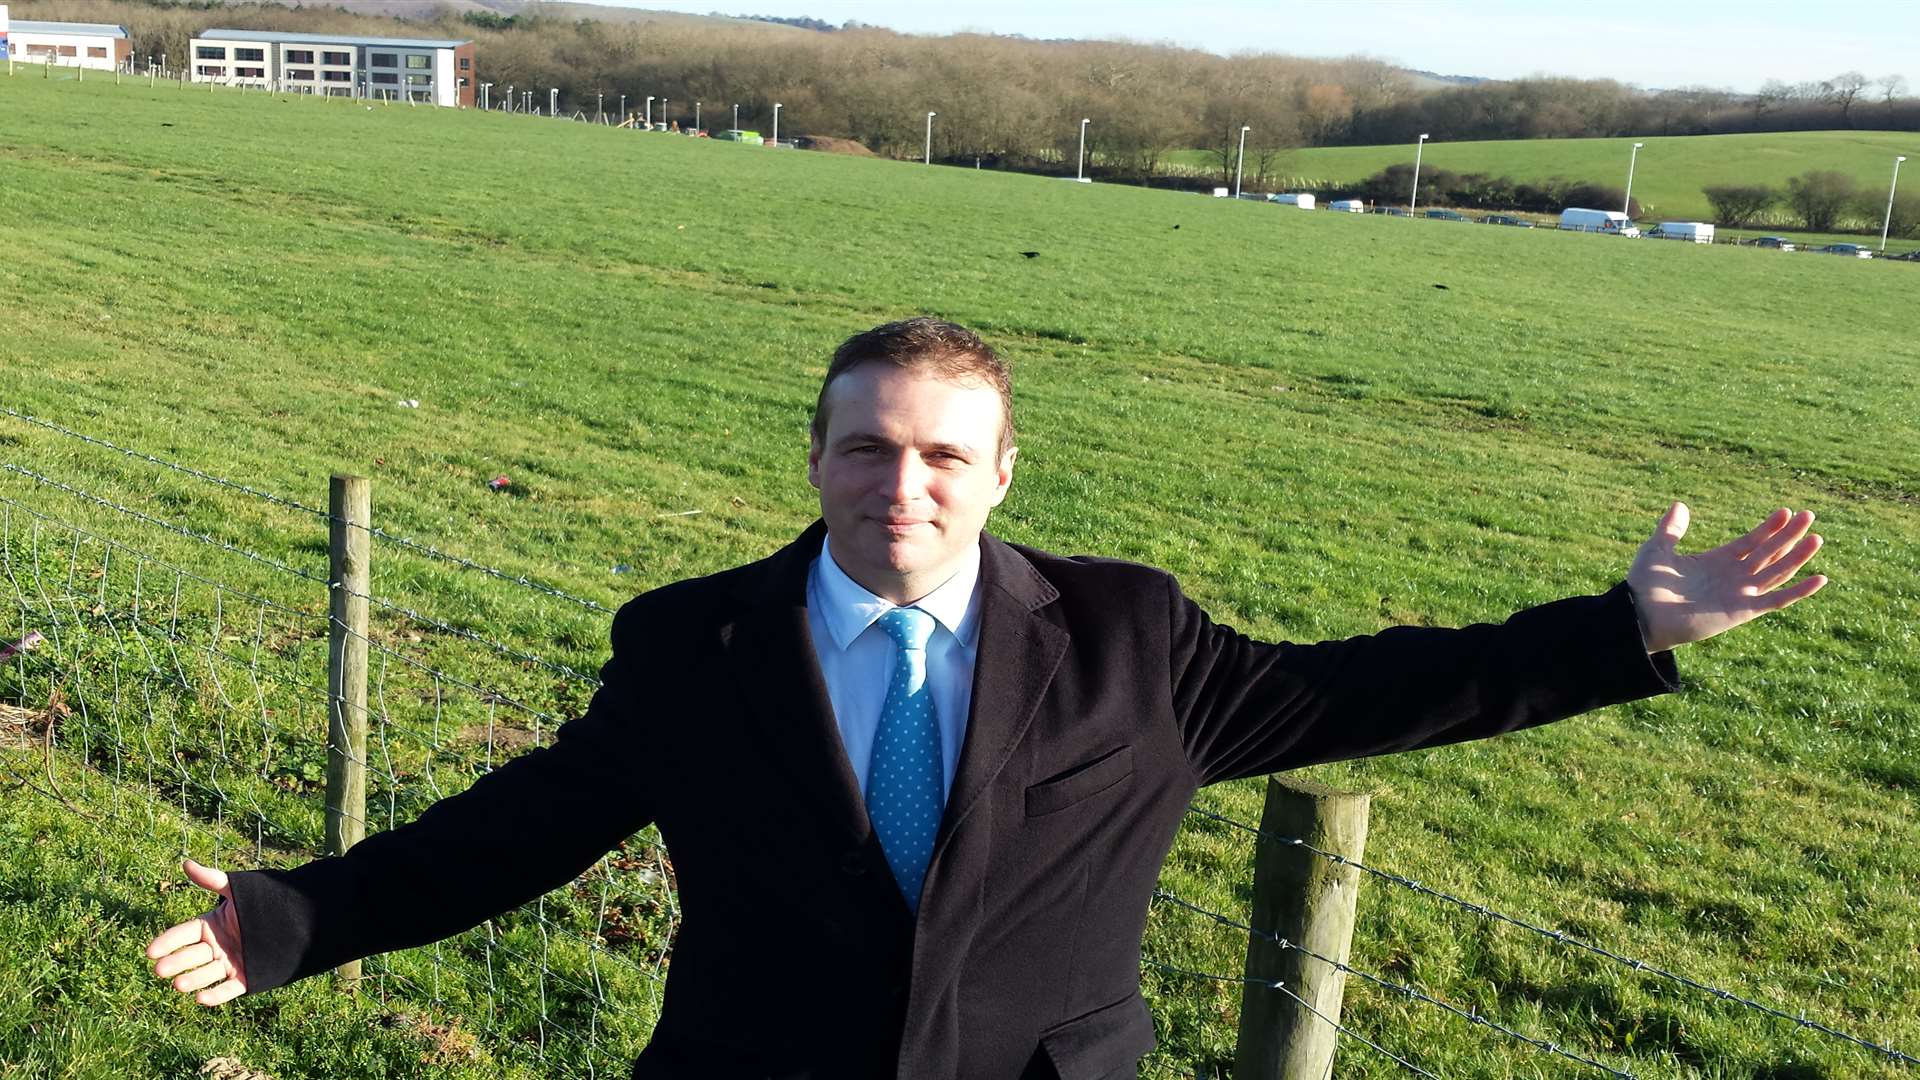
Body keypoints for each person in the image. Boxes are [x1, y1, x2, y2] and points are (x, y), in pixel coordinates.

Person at [147, 318, 1826, 1078]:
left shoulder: (1131, 638)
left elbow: (1372, 691)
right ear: (811, 458)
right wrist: (297, 919)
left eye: (944, 451)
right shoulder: (693, 645)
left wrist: (1623, 630)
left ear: (1003, 471)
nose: (904, 481)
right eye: (866, 446)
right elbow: (530, 824)